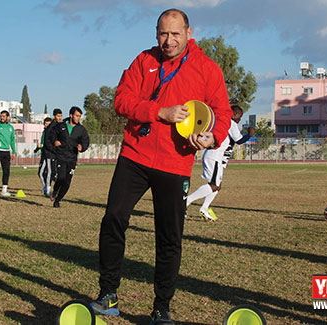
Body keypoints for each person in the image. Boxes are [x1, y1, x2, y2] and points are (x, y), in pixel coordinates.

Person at [90, 9, 232, 324]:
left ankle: (161, 307)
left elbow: (222, 112)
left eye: (175, 34)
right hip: (135, 155)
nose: (168, 41)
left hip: (175, 162)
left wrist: (211, 137)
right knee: (114, 217)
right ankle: (108, 294)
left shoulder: (207, 69)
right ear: (156, 34)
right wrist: (159, 112)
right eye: (162, 34)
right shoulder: (144, 61)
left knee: (169, 236)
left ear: (189, 32)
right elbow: (121, 101)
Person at [186, 105, 255, 221]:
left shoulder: (226, 123)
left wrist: (224, 161)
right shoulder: (230, 122)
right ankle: (186, 201)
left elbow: (226, 143)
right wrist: (249, 135)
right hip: (214, 156)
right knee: (214, 185)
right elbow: (239, 140)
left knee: (217, 186)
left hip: (216, 157)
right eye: (239, 116)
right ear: (235, 113)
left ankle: (204, 208)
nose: (240, 120)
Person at [48, 106, 89, 208]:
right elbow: (51, 135)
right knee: (61, 178)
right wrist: (55, 141)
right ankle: (55, 191)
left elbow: (86, 141)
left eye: (80, 116)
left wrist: (82, 147)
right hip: (61, 156)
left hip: (72, 158)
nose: (78, 118)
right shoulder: (60, 126)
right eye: (76, 116)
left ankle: (58, 200)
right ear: (71, 115)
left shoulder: (81, 129)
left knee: (67, 182)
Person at [39, 108, 63, 197]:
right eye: (58, 116)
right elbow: (47, 141)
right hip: (49, 153)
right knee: (49, 171)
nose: (60, 118)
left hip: (54, 153)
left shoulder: (59, 126)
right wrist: (53, 149)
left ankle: (47, 188)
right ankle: (48, 189)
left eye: (61, 116)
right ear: (54, 116)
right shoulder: (51, 127)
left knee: (52, 172)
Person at [36, 117, 52, 195]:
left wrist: (41, 145)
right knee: (40, 173)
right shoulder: (44, 132)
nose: (47, 125)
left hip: (49, 155)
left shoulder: (51, 132)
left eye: (48, 124)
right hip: (44, 154)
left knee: (49, 172)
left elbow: (47, 144)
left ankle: (48, 189)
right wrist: (37, 148)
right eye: (46, 123)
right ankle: (46, 187)